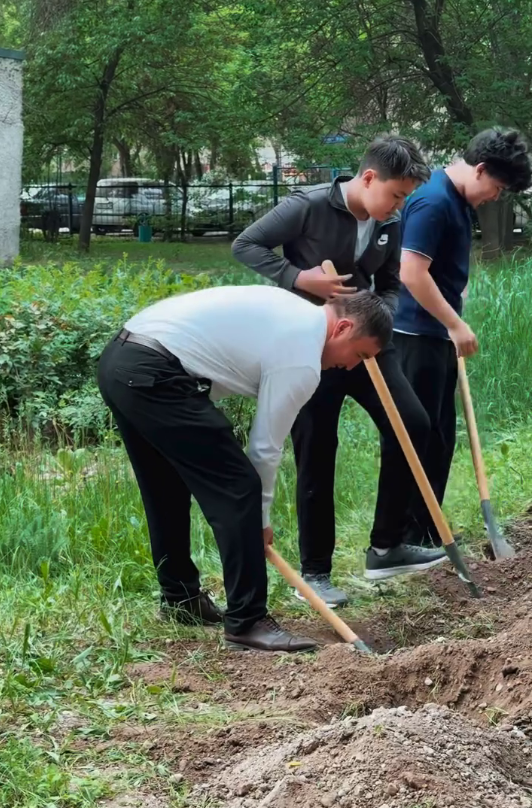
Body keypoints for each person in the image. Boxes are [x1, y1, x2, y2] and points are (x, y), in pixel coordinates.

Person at [97, 284, 392, 652]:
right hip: (156, 373)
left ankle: (181, 599)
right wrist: (260, 520)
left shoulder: (293, 312)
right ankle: (247, 621)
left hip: (120, 361)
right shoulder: (302, 354)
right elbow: (265, 449)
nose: (349, 366)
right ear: (344, 328)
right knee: (240, 487)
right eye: (359, 354)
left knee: (166, 487)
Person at [232, 135, 445, 598]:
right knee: (316, 447)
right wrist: (298, 277)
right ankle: (315, 571)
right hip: (314, 342)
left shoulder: (389, 223)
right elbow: (246, 244)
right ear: (369, 177)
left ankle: (386, 548)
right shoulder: (307, 206)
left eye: (405, 198)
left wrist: (378, 315)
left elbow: (389, 283)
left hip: (366, 342)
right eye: (396, 194)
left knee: (412, 423)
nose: (398, 205)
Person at [396, 128, 531, 547]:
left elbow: (442, 267)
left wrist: (458, 304)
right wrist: (454, 323)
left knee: (440, 438)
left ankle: (428, 532)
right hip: (416, 336)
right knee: (421, 439)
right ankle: (405, 537)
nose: (495, 196)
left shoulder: (455, 202)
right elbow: (411, 272)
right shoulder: (433, 201)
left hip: (436, 335)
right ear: (480, 169)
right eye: (497, 187)